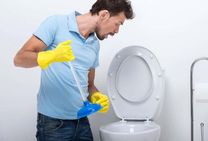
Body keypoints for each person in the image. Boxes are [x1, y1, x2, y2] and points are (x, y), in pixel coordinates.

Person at [13, 0, 134, 140]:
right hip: (54, 124)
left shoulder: (94, 44)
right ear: (104, 15)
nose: (116, 31)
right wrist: (51, 56)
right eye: (118, 23)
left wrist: (96, 96)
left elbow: (89, 85)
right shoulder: (56, 24)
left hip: (81, 122)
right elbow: (19, 59)